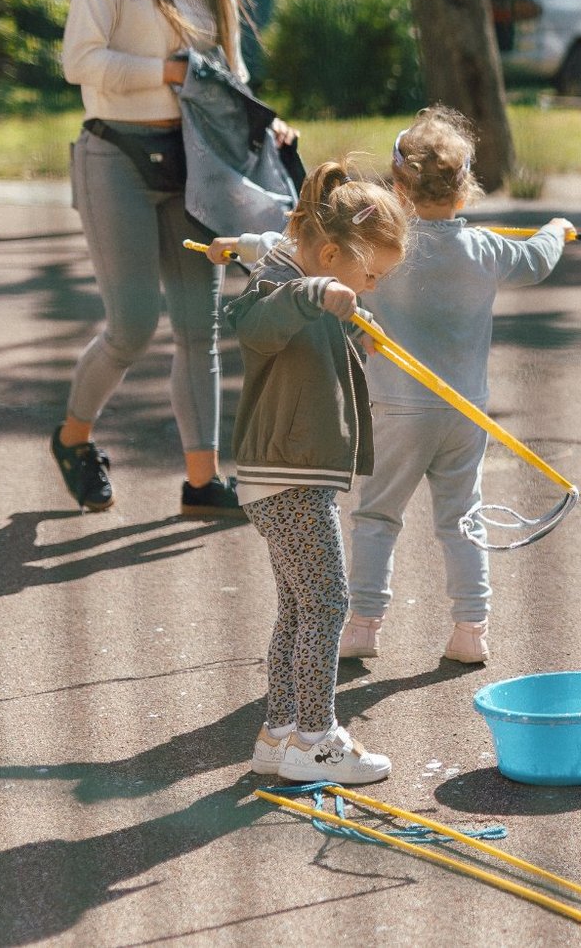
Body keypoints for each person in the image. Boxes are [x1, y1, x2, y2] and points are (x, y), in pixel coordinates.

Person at [52, 0, 291, 519]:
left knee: (198, 328)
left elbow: (231, 79)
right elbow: (80, 60)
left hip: (196, 161)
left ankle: (201, 482)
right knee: (131, 327)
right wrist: (167, 72)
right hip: (115, 156)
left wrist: (265, 125)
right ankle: (72, 439)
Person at [339, 107, 571, 666]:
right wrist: (556, 228)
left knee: (376, 516)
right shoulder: (485, 249)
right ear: (464, 191)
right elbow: (538, 261)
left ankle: (363, 626)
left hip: (397, 408)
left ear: (396, 186)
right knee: (461, 519)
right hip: (466, 412)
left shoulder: (382, 248)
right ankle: (471, 632)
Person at [227, 159, 411, 783]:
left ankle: (278, 735)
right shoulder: (283, 287)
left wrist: (354, 323)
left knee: (300, 607)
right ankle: (316, 738)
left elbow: (309, 342)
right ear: (330, 253)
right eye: (370, 274)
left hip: (289, 476)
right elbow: (254, 322)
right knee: (330, 603)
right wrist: (318, 295)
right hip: (287, 477)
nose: (374, 286)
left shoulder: (314, 285)